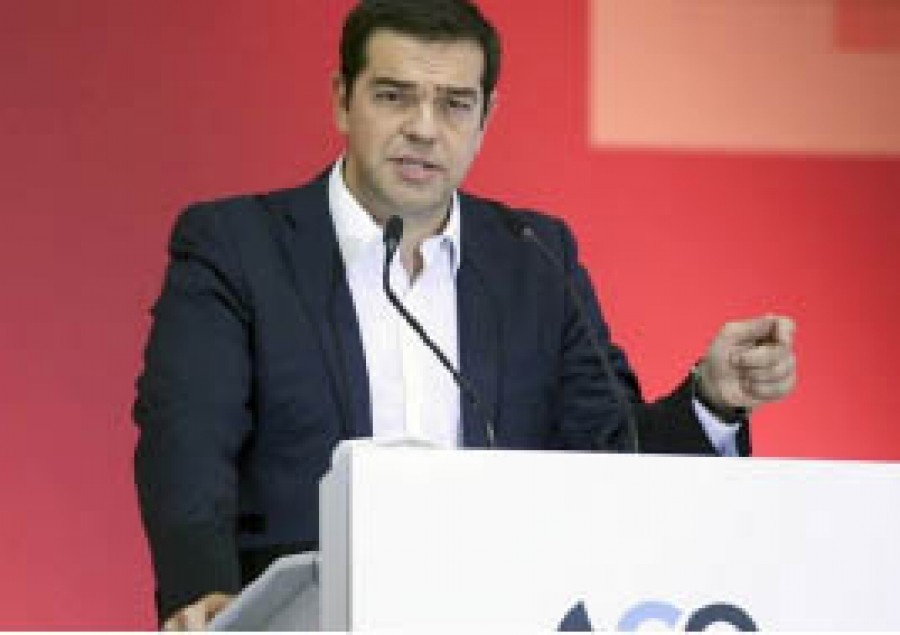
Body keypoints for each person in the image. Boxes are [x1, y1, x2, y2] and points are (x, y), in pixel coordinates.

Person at [133, 0, 797, 629]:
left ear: (485, 117)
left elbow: (611, 461)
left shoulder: (535, 258)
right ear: (341, 99)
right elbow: (187, 442)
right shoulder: (238, 247)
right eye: (393, 96)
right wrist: (203, 593)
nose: (424, 128)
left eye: (454, 104)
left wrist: (712, 400)